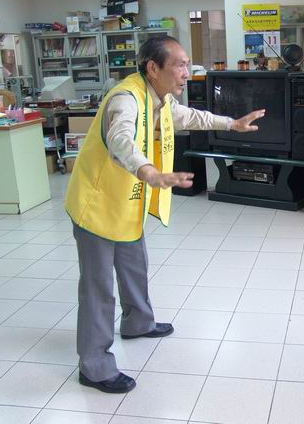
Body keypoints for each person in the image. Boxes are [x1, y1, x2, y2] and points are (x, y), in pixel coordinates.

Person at [65, 35, 265, 394]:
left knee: (135, 266)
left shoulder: (158, 98)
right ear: (153, 68)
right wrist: (149, 172)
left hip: (126, 203)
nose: (187, 72)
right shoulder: (126, 99)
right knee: (98, 288)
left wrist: (231, 124)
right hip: (96, 206)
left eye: (187, 64)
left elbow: (189, 116)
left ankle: (137, 323)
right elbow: (121, 139)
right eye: (180, 65)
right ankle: (93, 366)